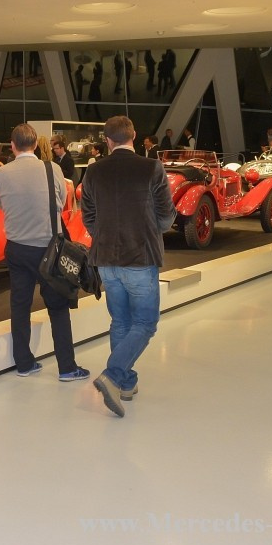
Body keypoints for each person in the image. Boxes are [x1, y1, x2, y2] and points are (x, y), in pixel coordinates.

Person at [81, 115, 177, 417]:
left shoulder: (93, 171)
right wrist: (152, 230)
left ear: (107, 141)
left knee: (120, 322)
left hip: (106, 260)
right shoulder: (151, 168)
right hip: (140, 257)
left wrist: (105, 235)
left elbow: (89, 217)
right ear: (134, 136)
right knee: (145, 323)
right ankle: (113, 375)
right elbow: (166, 215)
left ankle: (125, 382)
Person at [0, 122, 89, 382]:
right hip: (49, 248)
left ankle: (24, 364)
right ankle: (67, 368)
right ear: (35, 145)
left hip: (16, 248)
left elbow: (0, 204)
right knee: (58, 307)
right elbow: (61, 201)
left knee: (19, 305)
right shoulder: (52, 169)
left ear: (12, 146)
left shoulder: (0, 174)